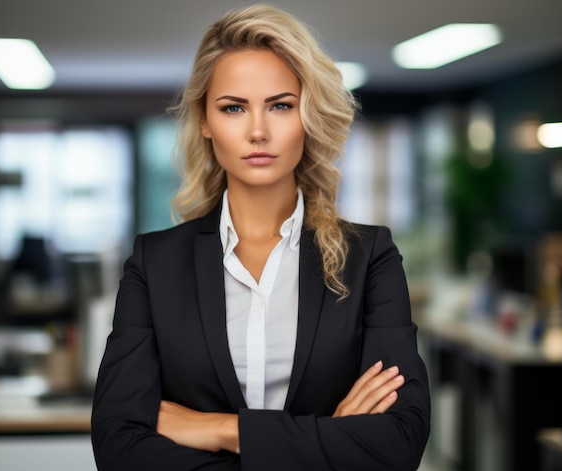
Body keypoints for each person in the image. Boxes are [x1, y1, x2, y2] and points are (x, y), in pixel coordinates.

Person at [91, 4, 430, 470]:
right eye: (233, 107)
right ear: (206, 121)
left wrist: (223, 430)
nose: (257, 131)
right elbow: (118, 447)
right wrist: (328, 437)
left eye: (281, 105)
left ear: (307, 116)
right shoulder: (154, 264)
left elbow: (398, 442)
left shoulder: (369, 257)